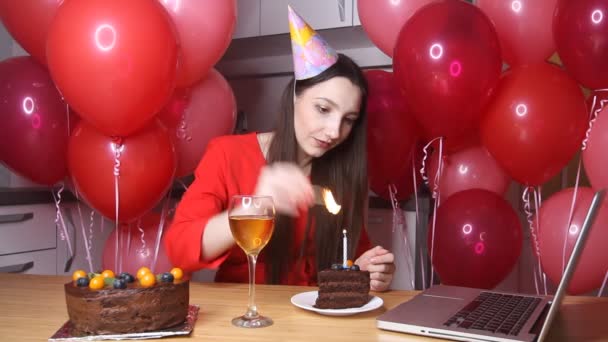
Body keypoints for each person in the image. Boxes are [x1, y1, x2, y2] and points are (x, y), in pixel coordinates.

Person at [165, 6, 395, 291]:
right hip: (244, 319)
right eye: (323, 109)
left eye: (348, 120)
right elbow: (179, 249)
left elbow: (349, 258)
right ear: (294, 98)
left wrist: (365, 271)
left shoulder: (343, 171)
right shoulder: (228, 154)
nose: (335, 132)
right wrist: (256, 207)